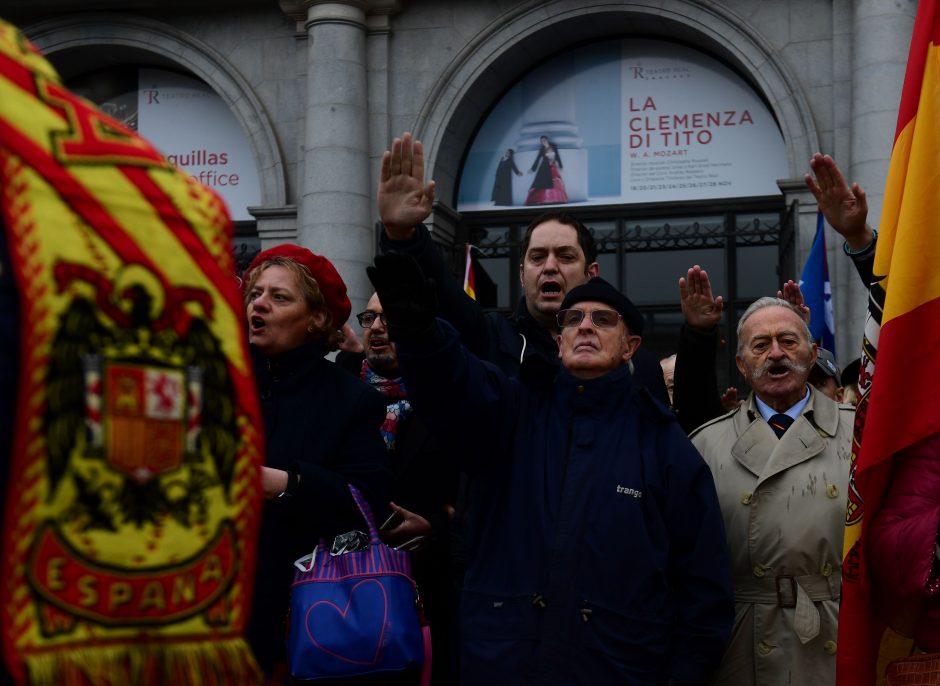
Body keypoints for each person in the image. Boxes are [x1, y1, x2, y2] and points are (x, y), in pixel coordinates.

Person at [368, 255, 734, 685]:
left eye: (602, 319)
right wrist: (411, 299)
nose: (584, 326)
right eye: (573, 318)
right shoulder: (512, 412)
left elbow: (704, 593)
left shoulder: (665, 446)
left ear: (630, 347)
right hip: (503, 665)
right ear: (559, 340)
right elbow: (451, 380)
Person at [376, 132, 669, 406]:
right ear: (521, 273)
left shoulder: (635, 364)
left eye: (565, 257)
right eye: (538, 257)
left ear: (591, 273)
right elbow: (441, 293)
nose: (550, 267)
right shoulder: (491, 338)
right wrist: (403, 237)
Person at [242, 245, 392, 681]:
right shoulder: (221, 383)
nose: (261, 304)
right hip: (213, 616)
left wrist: (282, 483)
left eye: (280, 297)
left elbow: (367, 503)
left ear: (317, 319)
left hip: (306, 621)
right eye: (256, 294)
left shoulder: (351, 399)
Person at [689, 297, 854, 686]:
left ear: (813, 354)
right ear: (742, 365)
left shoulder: (860, 433)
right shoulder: (705, 446)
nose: (776, 353)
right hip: (744, 640)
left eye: (789, 341)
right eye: (760, 345)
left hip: (840, 630)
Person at [336, 292, 460, 685]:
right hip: (346, 600)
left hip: (431, 596)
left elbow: (481, 499)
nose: (376, 328)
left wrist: (436, 529)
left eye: (388, 318)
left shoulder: (453, 400)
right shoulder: (344, 394)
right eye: (369, 317)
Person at [526, 135, 568, 205]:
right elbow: (537, 159)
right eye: (542, 141)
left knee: (555, 181)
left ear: (547, 140)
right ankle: (544, 199)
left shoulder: (554, 146)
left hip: (553, 167)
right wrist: (532, 169)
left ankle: (556, 199)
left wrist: (560, 165)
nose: (543, 142)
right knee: (545, 183)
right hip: (545, 167)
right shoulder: (542, 149)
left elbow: (557, 156)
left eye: (544, 140)